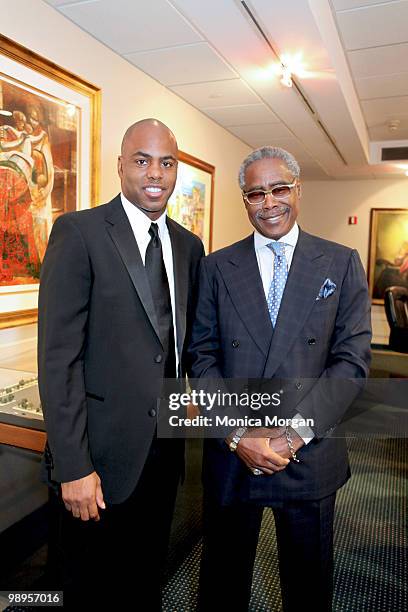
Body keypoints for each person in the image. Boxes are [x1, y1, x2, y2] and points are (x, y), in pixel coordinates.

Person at [188, 146, 371, 611]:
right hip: (235, 456)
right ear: (244, 200)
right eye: (255, 194)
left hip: (308, 453)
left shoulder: (340, 261)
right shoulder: (215, 267)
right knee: (221, 585)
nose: (268, 203)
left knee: (308, 588)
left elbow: (351, 363)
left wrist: (292, 437)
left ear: (297, 189)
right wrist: (238, 434)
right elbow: (202, 357)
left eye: (279, 189)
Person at [37, 118, 204, 609]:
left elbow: (180, 346)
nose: (156, 173)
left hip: (164, 452)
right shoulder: (79, 232)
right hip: (98, 459)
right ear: (120, 167)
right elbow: (58, 359)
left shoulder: (189, 247)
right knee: (90, 588)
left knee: (144, 578)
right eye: (142, 160)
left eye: (167, 162)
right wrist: (73, 466)